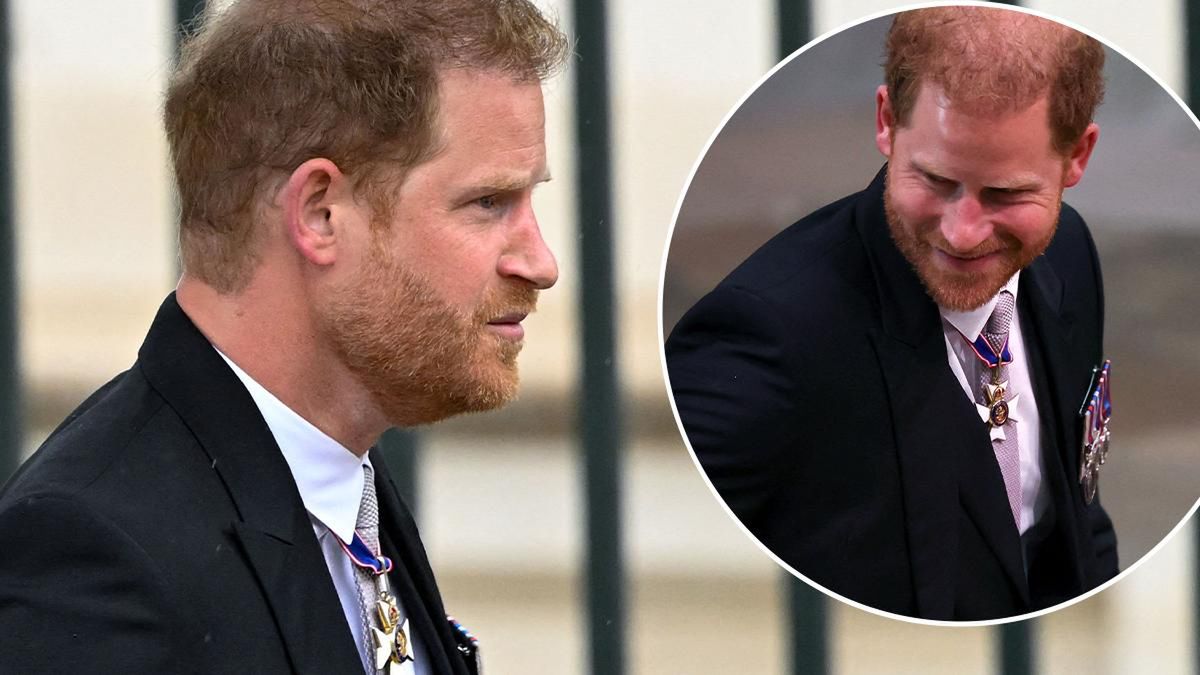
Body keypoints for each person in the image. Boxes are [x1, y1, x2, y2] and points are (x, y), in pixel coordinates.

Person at [0, 0, 568, 672]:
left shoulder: (340, 480)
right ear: (320, 213)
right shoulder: (97, 558)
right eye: (488, 203)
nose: (541, 263)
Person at [666, 6, 1117, 621]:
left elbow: (1077, 511)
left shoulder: (1067, 255)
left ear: (1078, 156)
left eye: (1007, 194)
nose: (962, 234)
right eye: (934, 180)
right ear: (885, 122)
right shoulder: (766, 336)